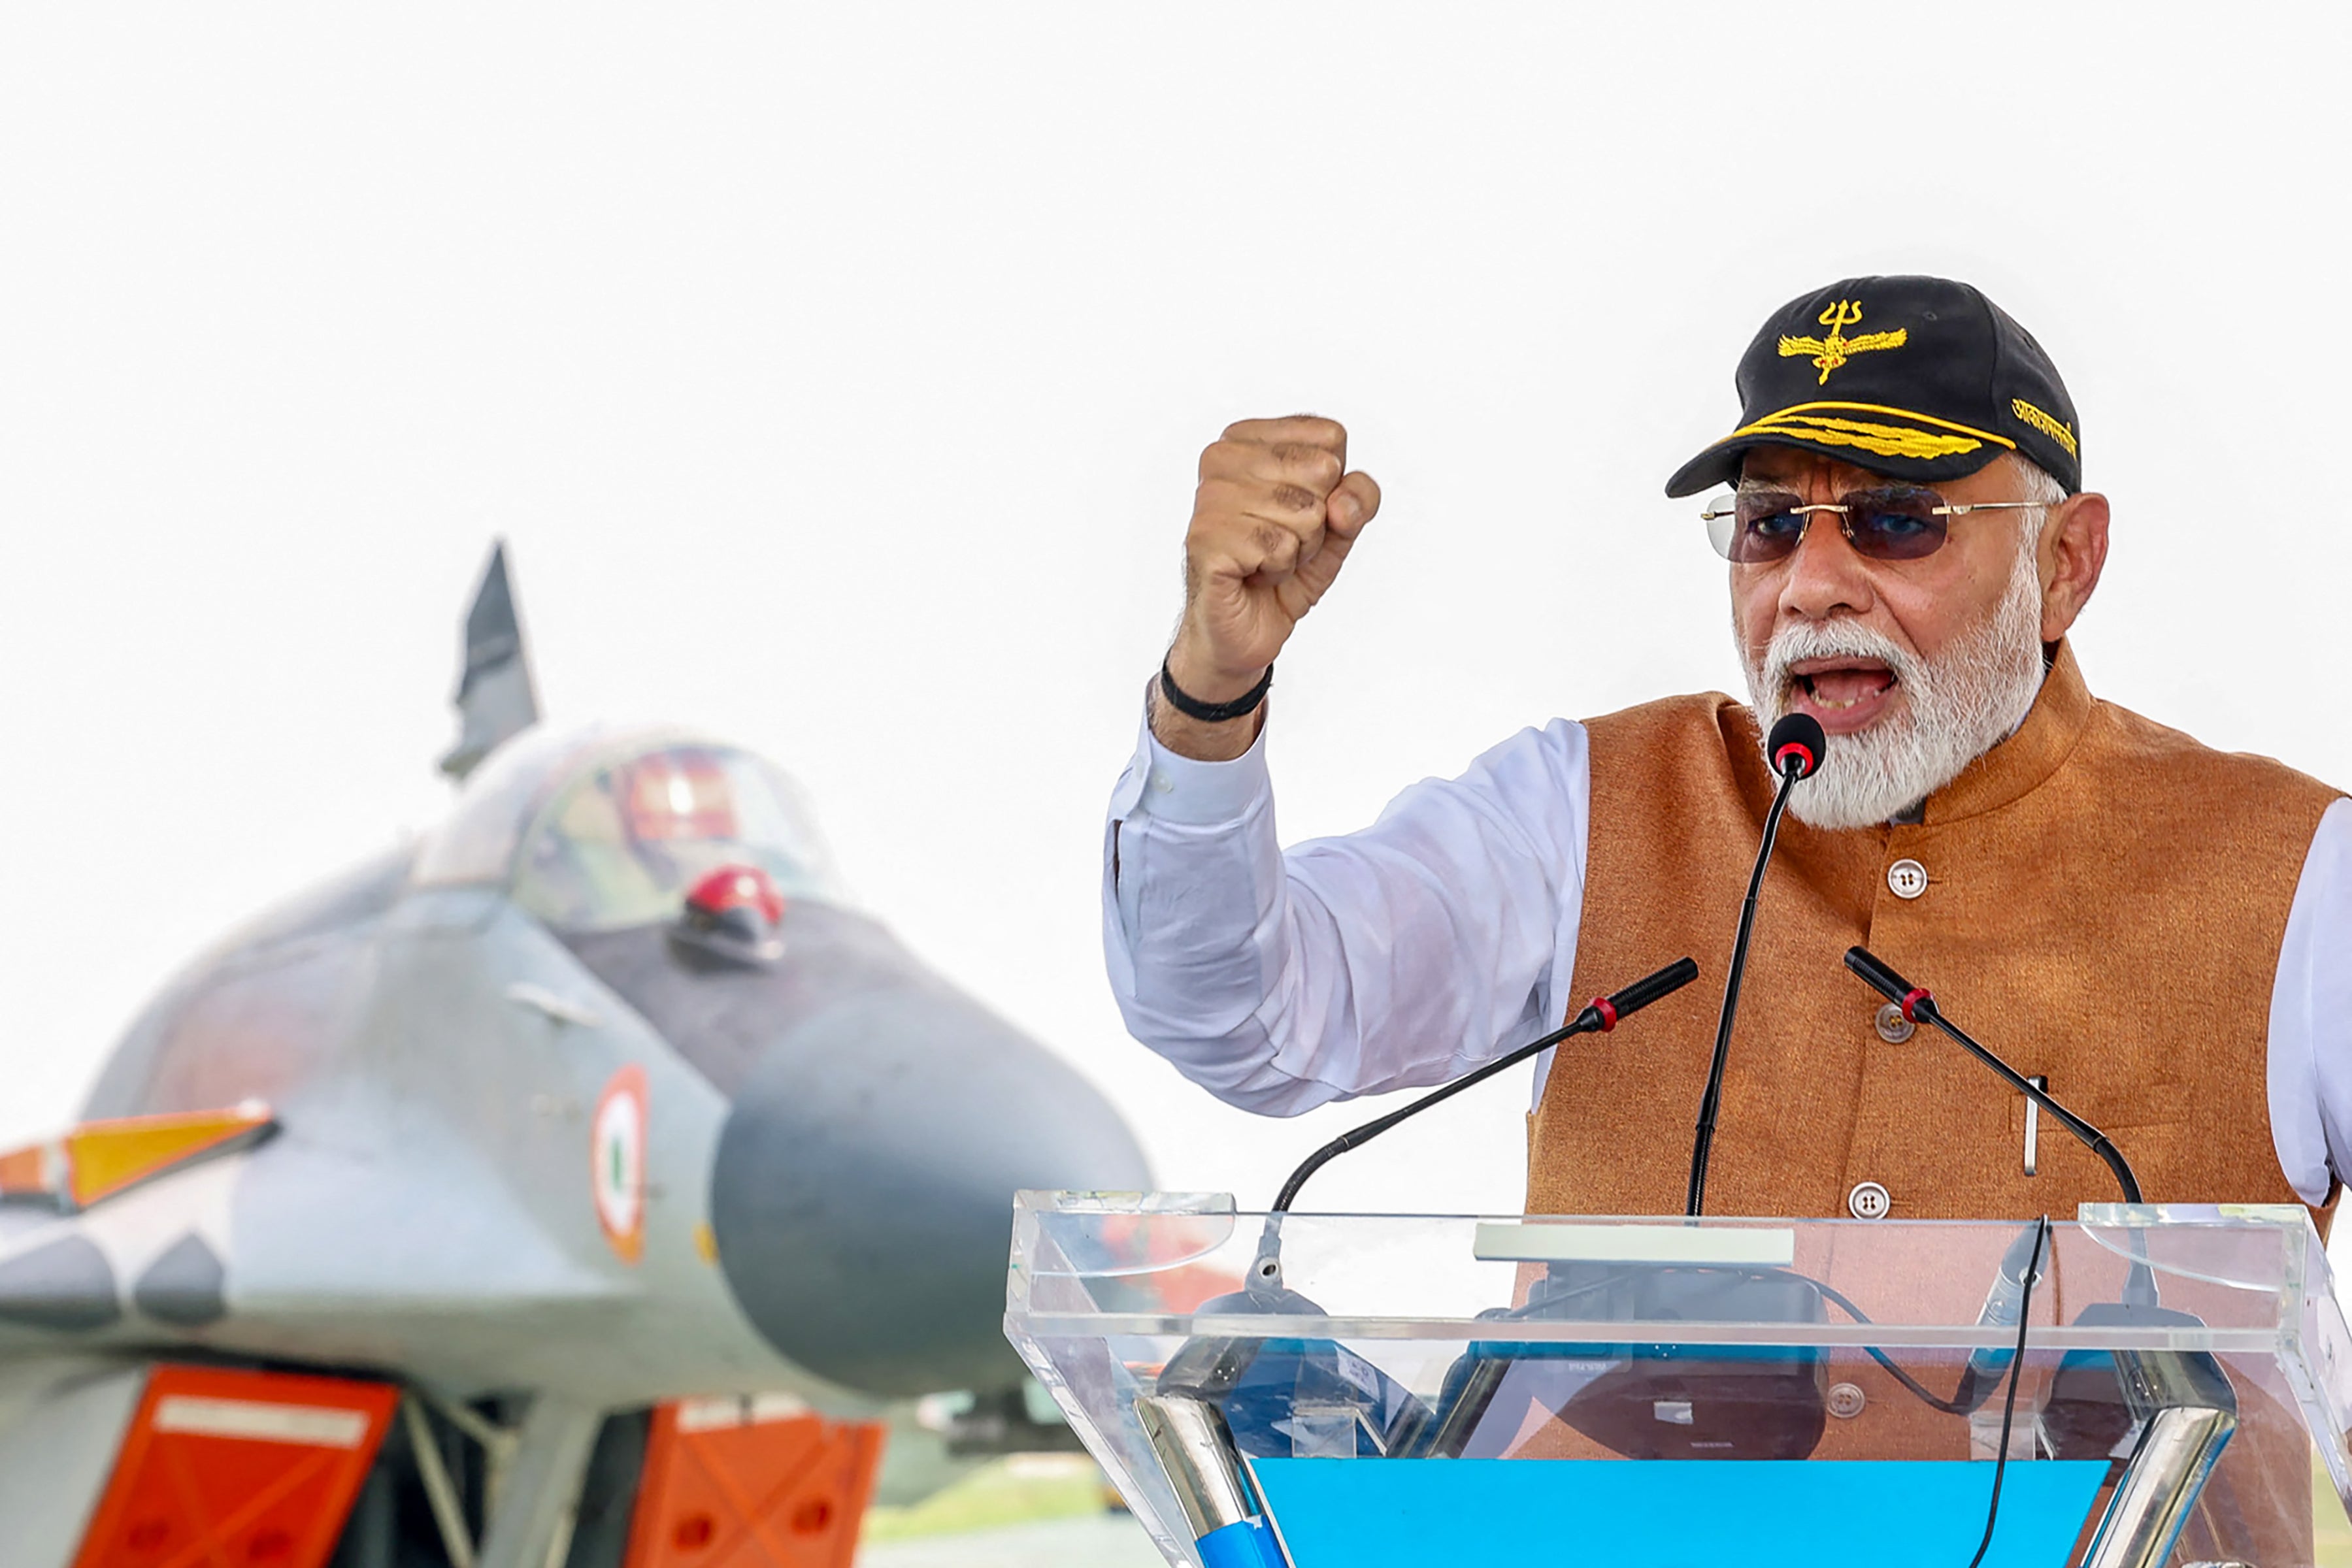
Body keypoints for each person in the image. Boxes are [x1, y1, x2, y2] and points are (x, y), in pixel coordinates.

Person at [1102, 274, 2351, 1226]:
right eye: (1767, 524)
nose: (1811, 584)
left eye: (1897, 520)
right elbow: (1242, 1016)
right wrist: (1211, 696)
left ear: (2063, 563)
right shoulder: (1582, 813)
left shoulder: (2305, 882)